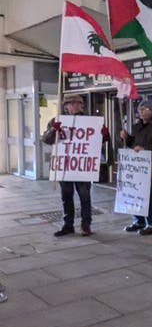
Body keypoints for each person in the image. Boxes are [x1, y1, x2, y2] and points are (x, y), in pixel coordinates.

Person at [41, 93, 110, 237]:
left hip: (82, 167)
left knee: (85, 197)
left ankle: (86, 225)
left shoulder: (90, 121)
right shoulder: (57, 120)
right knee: (66, 196)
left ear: (81, 105)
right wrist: (54, 130)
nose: (74, 106)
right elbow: (46, 139)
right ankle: (68, 225)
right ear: (65, 106)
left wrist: (104, 133)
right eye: (71, 103)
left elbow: (102, 139)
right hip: (65, 166)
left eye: (77, 103)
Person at [120, 101, 152, 235]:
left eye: (145, 108)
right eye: (140, 109)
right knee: (136, 192)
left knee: (148, 193)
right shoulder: (137, 126)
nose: (141, 111)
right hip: (136, 166)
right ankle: (138, 220)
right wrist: (126, 138)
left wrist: (145, 149)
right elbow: (132, 144)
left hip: (151, 164)